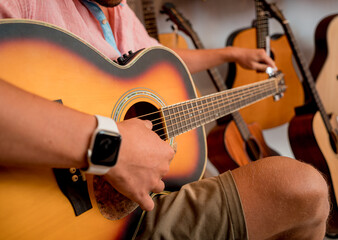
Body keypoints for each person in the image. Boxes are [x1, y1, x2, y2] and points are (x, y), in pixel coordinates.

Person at [0, 0, 330, 239]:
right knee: (304, 186)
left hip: (140, 203)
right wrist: (110, 147)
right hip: (60, 215)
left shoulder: (117, 10)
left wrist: (231, 55)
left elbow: (160, 61)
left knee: (304, 191)